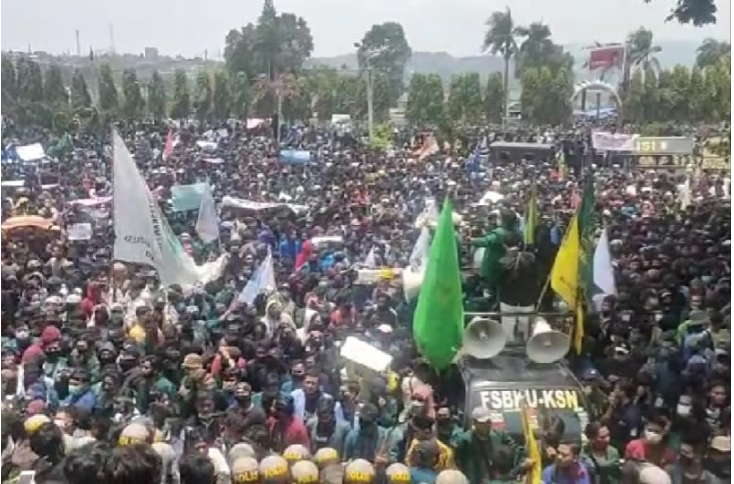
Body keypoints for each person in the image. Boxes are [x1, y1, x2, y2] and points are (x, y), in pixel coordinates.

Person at [454, 407, 520, 483]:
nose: (487, 425)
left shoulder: (500, 436)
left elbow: (515, 450)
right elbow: (457, 461)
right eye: (483, 423)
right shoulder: (465, 440)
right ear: (475, 423)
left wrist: (518, 469)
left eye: (488, 422)